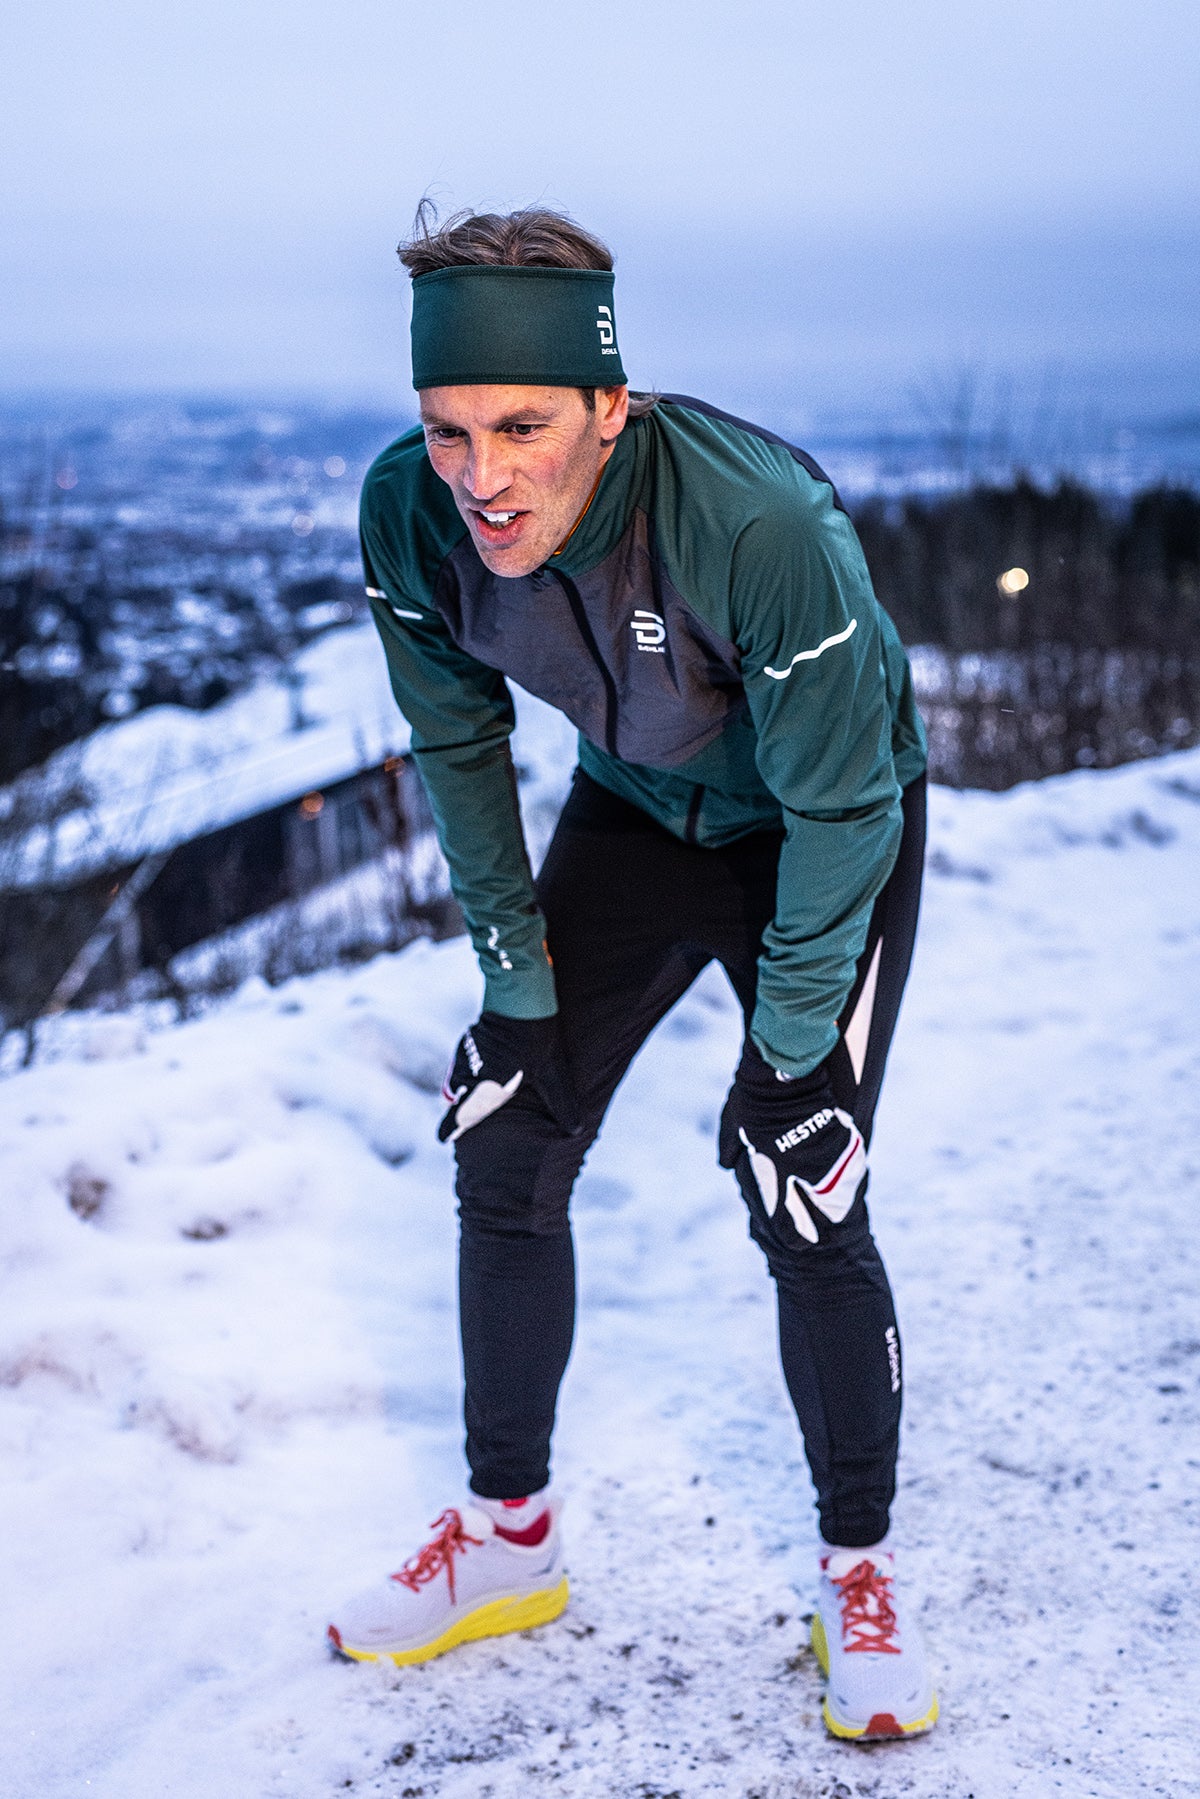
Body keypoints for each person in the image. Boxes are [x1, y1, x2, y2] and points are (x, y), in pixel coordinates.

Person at [327, 205, 936, 1742]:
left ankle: (857, 1569)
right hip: (636, 807)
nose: (483, 475)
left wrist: (793, 1055)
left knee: (803, 1177)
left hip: (819, 825)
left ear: (611, 405)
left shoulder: (758, 526)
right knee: (509, 1134)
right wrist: (514, 987)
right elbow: (458, 745)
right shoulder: (408, 515)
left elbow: (846, 804)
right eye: (449, 429)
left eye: (523, 425)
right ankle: (507, 1543)